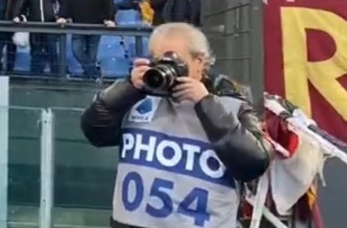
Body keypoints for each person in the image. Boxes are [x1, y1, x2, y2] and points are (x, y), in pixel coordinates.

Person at [80, 22, 270, 228]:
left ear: (199, 62)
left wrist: (205, 103)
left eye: (174, 60)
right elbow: (95, 132)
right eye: (158, 60)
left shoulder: (230, 106)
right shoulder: (137, 100)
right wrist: (128, 88)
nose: (165, 68)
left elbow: (254, 163)